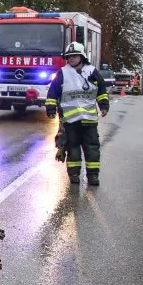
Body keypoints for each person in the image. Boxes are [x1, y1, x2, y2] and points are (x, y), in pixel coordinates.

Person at [45, 42, 109, 185]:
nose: (71, 58)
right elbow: (53, 92)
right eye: (69, 56)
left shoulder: (92, 72)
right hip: (70, 120)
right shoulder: (62, 72)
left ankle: (93, 176)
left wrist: (104, 105)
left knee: (92, 148)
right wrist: (50, 109)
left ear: (82, 57)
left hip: (89, 119)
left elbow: (101, 90)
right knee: (72, 148)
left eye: (74, 56)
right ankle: (74, 175)